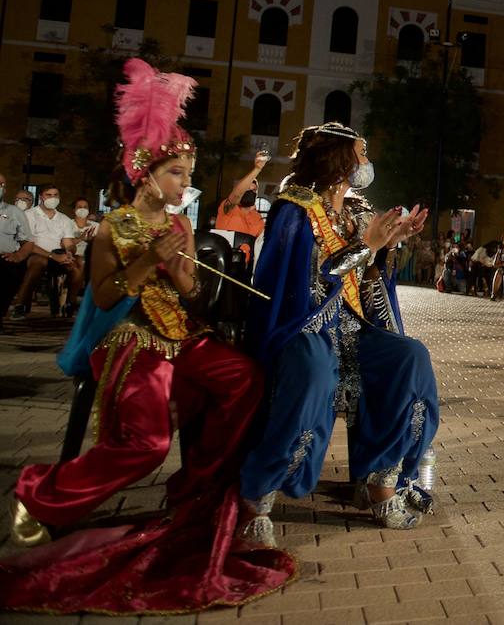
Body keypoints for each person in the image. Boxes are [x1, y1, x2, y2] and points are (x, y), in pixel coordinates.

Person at [2, 58, 293, 614]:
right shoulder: (113, 227)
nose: (186, 184)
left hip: (182, 336)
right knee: (146, 444)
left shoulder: (180, 226)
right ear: (145, 174)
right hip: (132, 339)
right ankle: (37, 496)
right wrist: (146, 267)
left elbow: (190, 295)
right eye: (177, 174)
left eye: (187, 174)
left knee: (245, 378)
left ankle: (196, 490)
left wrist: (184, 273)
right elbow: (108, 296)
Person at [237, 122, 439, 543]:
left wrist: (390, 243)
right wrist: (369, 245)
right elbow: (310, 280)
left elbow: (367, 275)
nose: (366, 164)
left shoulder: (356, 210)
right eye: (361, 155)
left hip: (351, 325)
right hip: (305, 324)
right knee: (314, 373)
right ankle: (257, 495)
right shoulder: (294, 209)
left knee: (410, 357)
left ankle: (381, 480)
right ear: (340, 160)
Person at [11, 184, 82, 318]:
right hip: (35, 254)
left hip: (58, 255)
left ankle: (70, 304)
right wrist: (52, 256)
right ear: (41, 197)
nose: (52, 198)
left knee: (79, 263)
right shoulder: (29, 215)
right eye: (48, 195)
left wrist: (69, 252)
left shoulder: (64, 219)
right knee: (38, 262)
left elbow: (68, 243)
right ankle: (20, 305)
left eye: (55, 195)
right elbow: (27, 244)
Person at [217, 151, 270, 267]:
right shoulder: (228, 209)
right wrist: (257, 169)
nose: (250, 192)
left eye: (253, 190)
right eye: (247, 190)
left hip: (245, 269)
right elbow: (236, 195)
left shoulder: (257, 217)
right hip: (222, 265)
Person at [0, 171, 34, 325]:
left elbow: (28, 241)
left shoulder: (15, 212)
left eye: (2, 185)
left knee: (11, 271)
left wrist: (19, 256)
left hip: (4, 257)